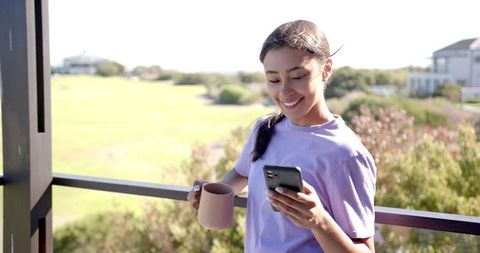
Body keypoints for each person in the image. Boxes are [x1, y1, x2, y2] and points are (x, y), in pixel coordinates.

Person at [187, 19, 376, 253]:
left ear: (326, 69)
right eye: (273, 80)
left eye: (297, 76)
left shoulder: (345, 153)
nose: (284, 92)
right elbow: (241, 173)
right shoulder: (264, 128)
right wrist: (215, 192)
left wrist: (319, 221)